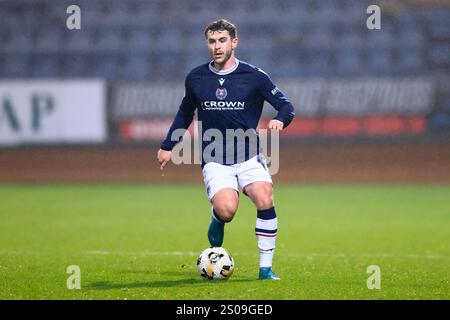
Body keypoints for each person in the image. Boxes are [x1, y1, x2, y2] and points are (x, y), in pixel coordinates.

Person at [157, 19, 295, 280]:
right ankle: (217, 217)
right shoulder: (196, 77)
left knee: (265, 198)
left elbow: (286, 106)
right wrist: (168, 146)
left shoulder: (254, 76)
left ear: (234, 42)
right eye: (212, 41)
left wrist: (280, 119)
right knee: (227, 210)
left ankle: (265, 269)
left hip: (249, 155)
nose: (217, 46)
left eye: (222, 40)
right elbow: (185, 112)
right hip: (215, 158)